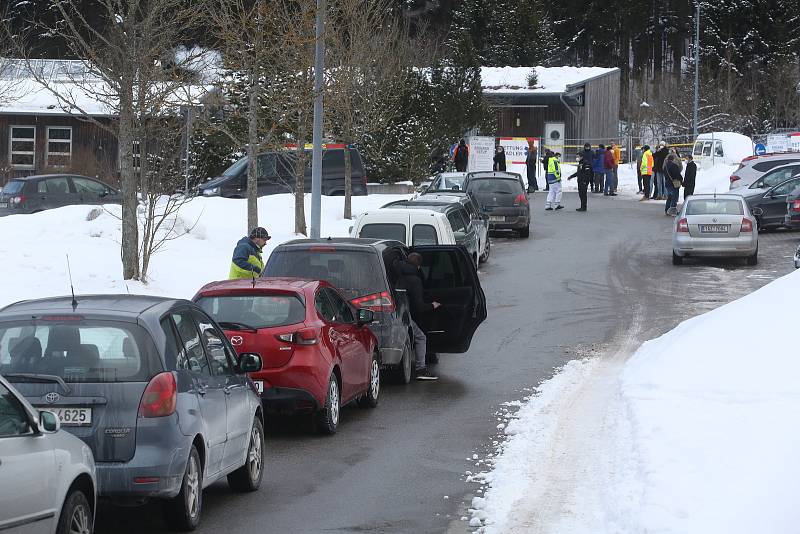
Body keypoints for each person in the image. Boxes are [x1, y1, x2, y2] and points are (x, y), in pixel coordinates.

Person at [395, 253, 441, 380]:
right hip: (405, 315)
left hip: (395, 312)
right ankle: (421, 369)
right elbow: (419, 306)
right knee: (421, 338)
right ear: (419, 266)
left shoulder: (397, 272)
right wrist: (432, 305)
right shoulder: (414, 280)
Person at [567, 143, 594, 211]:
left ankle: (584, 207)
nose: (577, 158)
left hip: (583, 181)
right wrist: (571, 176)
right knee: (581, 194)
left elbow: (587, 173)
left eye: (578, 156)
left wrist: (585, 181)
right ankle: (582, 206)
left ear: (581, 157)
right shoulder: (580, 163)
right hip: (580, 180)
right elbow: (578, 172)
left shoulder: (586, 163)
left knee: (583, 194)